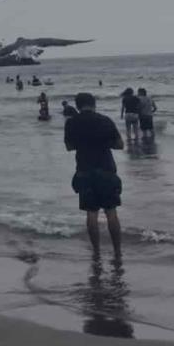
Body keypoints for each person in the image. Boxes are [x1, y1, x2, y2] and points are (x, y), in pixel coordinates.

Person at [64, 92, 124, 256]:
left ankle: (96, 251)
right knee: (111, 212)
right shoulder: (105, 120)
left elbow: (69, 147)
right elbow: (120, 145)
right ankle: (117, 251)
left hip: (84, 170)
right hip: (106, 169)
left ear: (77, 106)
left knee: (91, 214)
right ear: (94, 103)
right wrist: (104, 143)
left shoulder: (71, 123)